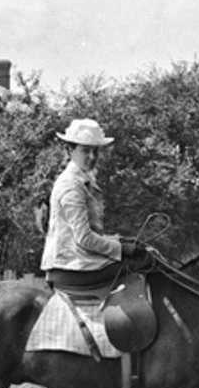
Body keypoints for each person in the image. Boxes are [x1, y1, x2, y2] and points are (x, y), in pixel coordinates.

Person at [40, 118, 146, 289]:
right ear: (70, 150)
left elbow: (91, 232)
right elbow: (84, 239)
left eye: (95, 151)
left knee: (147, 257)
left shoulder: (85, 179)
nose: (92, 157)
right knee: (144, 264)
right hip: (71, 266)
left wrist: (120, 240)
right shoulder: (70, 185)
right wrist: (122, 249)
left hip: (81, 260)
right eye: (85, 151)